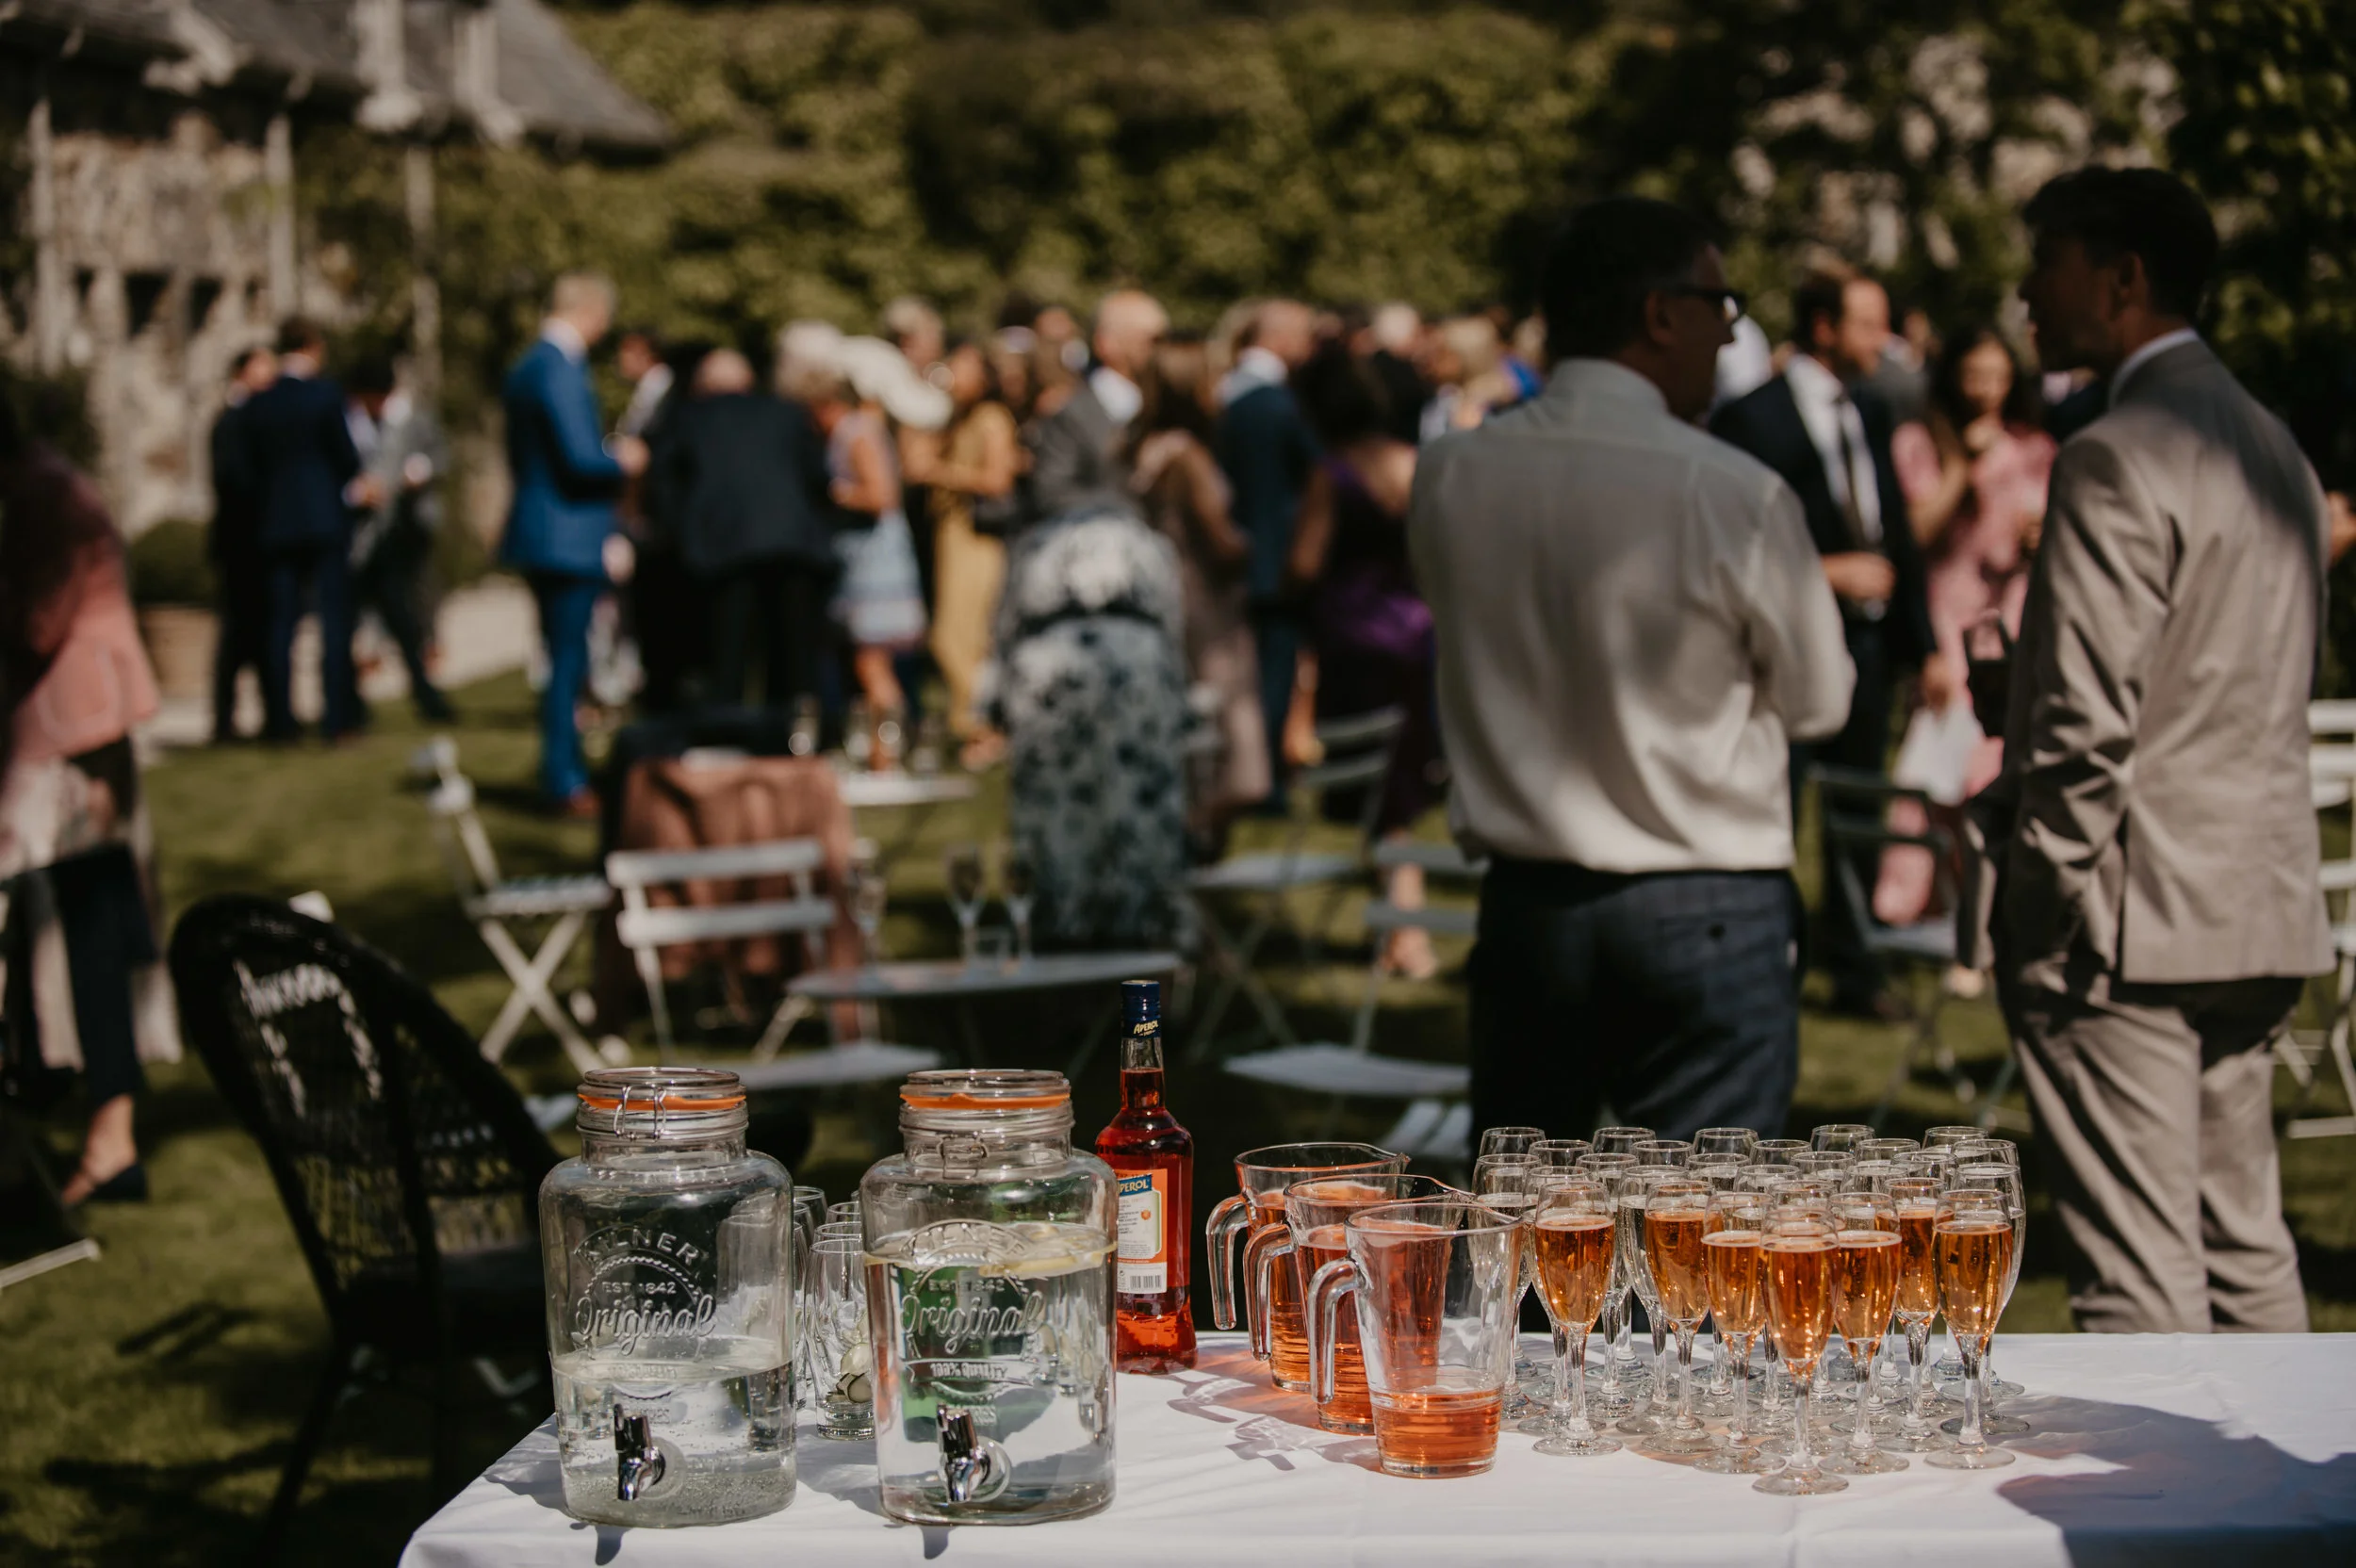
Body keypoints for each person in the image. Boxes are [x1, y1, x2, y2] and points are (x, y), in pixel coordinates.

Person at [1409, 195, 1853, 1143]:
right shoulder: (1732, 488)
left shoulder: (1452, 473)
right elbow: (1821, 699)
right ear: (1660, 312)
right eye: (1720, 306)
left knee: (1533, 1242)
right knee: (1699, 1241)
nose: (1725, 334)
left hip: (1532, 897)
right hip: (1707, 893)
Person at [1985, 167, 2329, 1333]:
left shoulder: (2115, 451)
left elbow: (2087, 731)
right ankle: (2301, 1514)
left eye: (2048, 260)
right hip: (2256, 895)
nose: (2026, 288)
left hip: (2125, 919)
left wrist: (2032, 906)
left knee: (2138, 1283)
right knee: (2244, 1249)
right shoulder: (2273, 443)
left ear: (2121, 279)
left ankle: (2154, 1522)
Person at [1711, 262, 1951, 1018]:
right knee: (1776, 805)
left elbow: (1897, 538)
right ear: (1824, 327)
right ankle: (1765, 961)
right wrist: (1823, 573)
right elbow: (1732, 548)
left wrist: (1927, 646)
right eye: (1868, 322)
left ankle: (1853, 966)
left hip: (1871, 648)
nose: (1884, 338)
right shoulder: (1754, 419)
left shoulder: (1872, 410)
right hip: (1785, 647)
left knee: (1861, 809)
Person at [0, 399, 172, 1206]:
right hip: (76, 729)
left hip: (75, 735)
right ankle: (99, 1123)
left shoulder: (43, 498)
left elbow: (34, 622)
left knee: (95, 929)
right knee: (89, 925)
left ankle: (109, 1131)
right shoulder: (50, 487)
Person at [1288, 343, 1444, 978]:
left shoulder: (1333, 472)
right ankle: (1400, 925)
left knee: (1381, 789)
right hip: (1413, 631)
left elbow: (1304, 562)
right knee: (1401, 783)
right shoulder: (1413, 465)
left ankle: (1406, 929)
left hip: (1355, 637)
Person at [985, 505, 1190, 952]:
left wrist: (997, 694)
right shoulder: (1145, 538)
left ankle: (1072, 997)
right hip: (1138, 681)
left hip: (1050, 680)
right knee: (1141, 847)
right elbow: (1174, 622)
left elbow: (1004, 625)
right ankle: (1143, 1017)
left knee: (1056, 842)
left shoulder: (1034, 542)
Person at [499, 273, 646, 815]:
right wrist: (625, 459)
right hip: (566, 533)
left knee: (563, 658)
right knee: (567, 662)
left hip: (543, 528)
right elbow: (581, 457)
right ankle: (564, 779)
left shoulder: (526, 365)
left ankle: (566, 770)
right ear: (591, 311)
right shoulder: (558, 366)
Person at [644, 348, 839, 713]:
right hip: (795, 547)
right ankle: (793, 747)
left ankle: (729, 746)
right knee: (794, 665)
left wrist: (678, 539)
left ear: (702, 386)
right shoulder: (788, 414)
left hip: (724, 551)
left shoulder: (687, 418)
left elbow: (664, 488)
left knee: (726, 661)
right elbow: (819, 479)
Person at [1129, 335, 1267, 841]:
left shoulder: (1138, 448)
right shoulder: (1189, 458)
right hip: (1208, 613)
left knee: (1189, 755)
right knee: (1236, 764)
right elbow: (1223, 545)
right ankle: (1187, 847)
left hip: (1163, 605)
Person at [240, 318, 369, 743]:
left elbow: (250, 468)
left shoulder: (260, 402)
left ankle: (280, 722)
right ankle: (336, 720)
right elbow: (347, 457)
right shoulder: (326, 395)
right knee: (333, 623)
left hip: (275, 523)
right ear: (312, 347)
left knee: (281, 624)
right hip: (324, 520)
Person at [1213, 299, 1319, 806]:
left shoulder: (1229, 396)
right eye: (1301, 335)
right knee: (1274, 673)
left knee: (1246, 675)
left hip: (1239, 551)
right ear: (1278, 339)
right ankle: (1270, 780)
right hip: (1279, 557)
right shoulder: (1281, 404)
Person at [906, 338, 1021, 765]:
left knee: (960, 637)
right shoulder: (958, 418)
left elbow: (997, 480)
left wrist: (937, 471)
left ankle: (982, 728)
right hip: (953, 537)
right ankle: (976, 726)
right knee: (955, 636)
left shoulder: (992, 418)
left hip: (977, 540)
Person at [346, 355, 454, 724]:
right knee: (362, 618)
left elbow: (441, 456)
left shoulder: (412, 417)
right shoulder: (354, 423)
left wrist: (417, 473)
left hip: (403, 530)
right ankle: (354, 703)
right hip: (364, 535)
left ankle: (427, 694)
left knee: (408, 612)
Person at [1029, 289, 1167, 519]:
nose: (1160, 351)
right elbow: (1051, 493)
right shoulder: (1071, 413)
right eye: (1149, 341)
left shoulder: (1166, 405)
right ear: (1106, 343)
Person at [206, 346, 275, 743]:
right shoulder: (232, 422)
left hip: (251, 541)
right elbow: (234, 483)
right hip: (241, 544)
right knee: (236, 635)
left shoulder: (245, 420)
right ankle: (225, 720)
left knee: (258, 631)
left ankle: (270, 713)